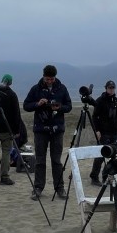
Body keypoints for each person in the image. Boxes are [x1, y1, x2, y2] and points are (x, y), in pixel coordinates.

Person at [23, 65, 72, 200]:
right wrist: (37, 104)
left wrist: (59, 107)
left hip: (57, 130)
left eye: (51, 79)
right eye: (47, 79)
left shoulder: (62, 88)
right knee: (40, 160)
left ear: (55, 77)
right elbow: (26, 105)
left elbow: (69, 106)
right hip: (40, 130)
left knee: (56, 160)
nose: (49, 81)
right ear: (43, 76)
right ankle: (38, 188)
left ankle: (59, 188)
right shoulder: (36, 88)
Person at [90, 80, 117, 182]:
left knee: (112, 155)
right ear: (106, 88)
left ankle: (106, 177)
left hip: (114, 132)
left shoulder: (116, 100)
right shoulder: (100, 100)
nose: (111, 89)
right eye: (109, 88)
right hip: (104, 133)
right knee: (100, 155)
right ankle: (94, 177)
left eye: (113, 88)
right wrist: (97, 130)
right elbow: (94, 116)